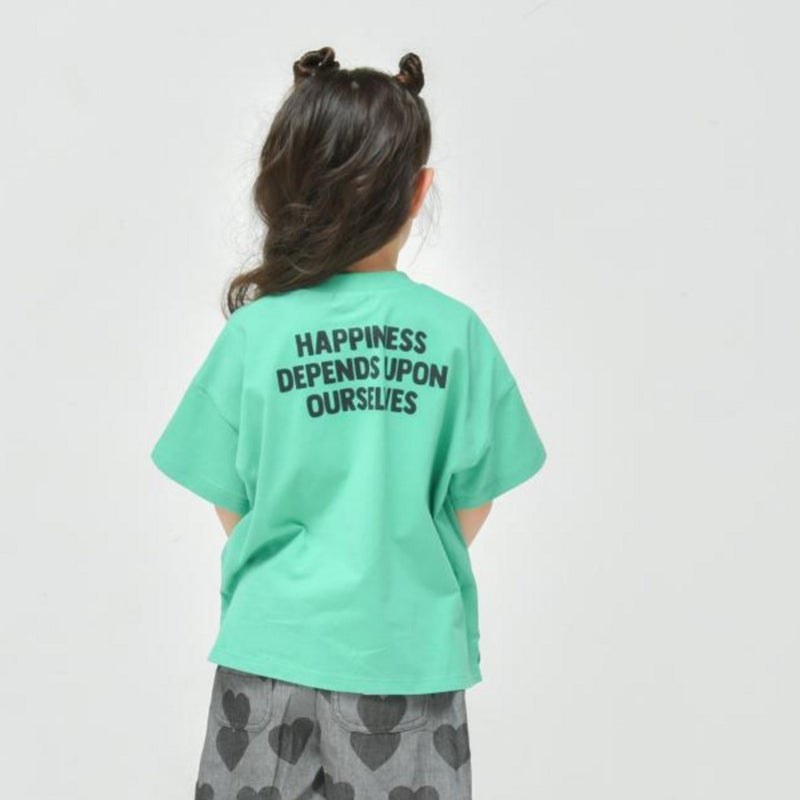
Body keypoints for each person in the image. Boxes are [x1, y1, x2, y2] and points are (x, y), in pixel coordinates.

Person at [150, 45, 547, 800]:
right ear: (418, 191)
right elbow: (476, 496)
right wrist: (393, 548)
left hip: (269, 653)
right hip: (405, 657)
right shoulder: (455, 333)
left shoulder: (257, 333)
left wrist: (295, 560)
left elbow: (228, 494)